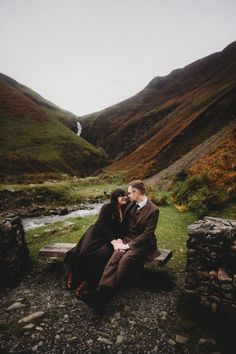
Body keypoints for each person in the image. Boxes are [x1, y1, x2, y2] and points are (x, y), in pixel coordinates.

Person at [81, 180, 161, 312]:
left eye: (129, 193)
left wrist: (128, 246)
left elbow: (147, 234)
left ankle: (102, 297)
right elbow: (115, 208)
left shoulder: (153, 210)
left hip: (143, 244)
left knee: (125, 260)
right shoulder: (131, 203)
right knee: (114, 258)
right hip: (126, 239)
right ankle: (100, 293)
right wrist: (117, 239)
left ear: (136, 193)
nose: (127, 196)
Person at [64, 187, 127, 295]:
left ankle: (88, 282)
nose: (124, 197)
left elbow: (121, 227)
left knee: (103, 254)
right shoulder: (106, 207)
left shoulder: (125, 208)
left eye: (125, 195)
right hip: (96, 234)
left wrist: (119, 238)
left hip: (109, 238)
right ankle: (73, 277)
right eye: (121, 195)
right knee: (83, 252)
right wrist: (113, 241)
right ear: (115, 198)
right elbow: (101, 225)